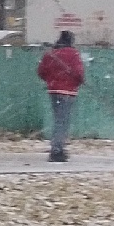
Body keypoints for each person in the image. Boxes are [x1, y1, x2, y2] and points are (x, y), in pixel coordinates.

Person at [36, 29, 84, 163]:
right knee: (62, 121)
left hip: (53, 91)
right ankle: (57, 150)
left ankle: (58, 147)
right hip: (68, 91)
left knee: (58, 120)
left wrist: (51, 80)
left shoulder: (51, 53)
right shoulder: (73, 54)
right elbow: (79, 73)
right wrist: (77, 82)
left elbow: (41, 71)